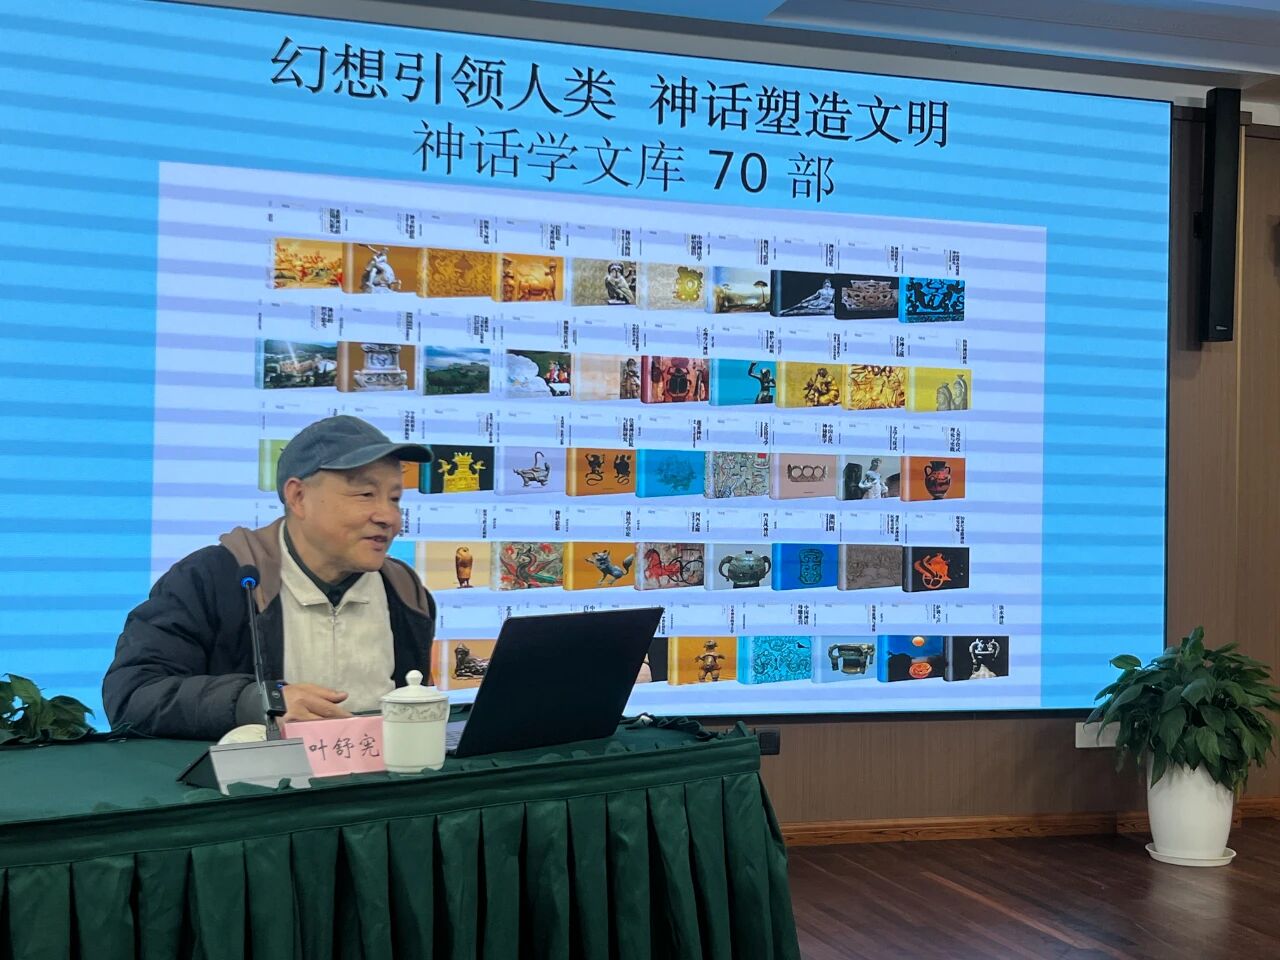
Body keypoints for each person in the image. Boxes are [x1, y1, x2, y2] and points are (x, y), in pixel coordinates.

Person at [103, 416, 436, 740]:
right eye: (365, 494)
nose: (388, 517)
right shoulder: (214, 578)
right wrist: (254, 702)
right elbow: (133, 694)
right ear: (298, 497)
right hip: (251, 777)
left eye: (395, 498)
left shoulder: (405, 592)